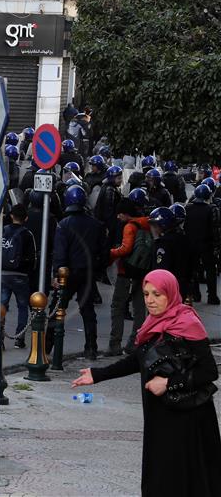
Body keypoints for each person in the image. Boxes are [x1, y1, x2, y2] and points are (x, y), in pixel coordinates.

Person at [72, 269, 221, 497]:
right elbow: (139, 359)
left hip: (189, 418)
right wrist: (98, 374)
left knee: (182, 478)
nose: (150, 300)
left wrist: (169, 383)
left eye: (157, 294)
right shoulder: (153, 324)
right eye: (146, 294)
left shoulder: (187, 324)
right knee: (160, 475)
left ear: (170, 294)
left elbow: (209, 372)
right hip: (160, 413)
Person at [52, 185, 105, 360]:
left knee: (57, 308)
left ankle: (45, 346)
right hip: (87, 273)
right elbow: (103, 252)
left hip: (68, 273)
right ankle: (91, 348)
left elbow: (60, 253)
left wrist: (56, 274)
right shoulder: (96, 225)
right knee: (88, 311)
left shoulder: (64, 225)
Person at [108, 198, 152, 355]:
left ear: (125, 214)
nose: (118, 217)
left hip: (127, 272)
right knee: (140, 308)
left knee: (117, 307)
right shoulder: (147, 223)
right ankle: (135, 343)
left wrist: (110, 253)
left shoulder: (129, 227)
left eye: (120, 214)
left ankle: (115, 344)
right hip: (143, 271)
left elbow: (125, 249)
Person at [0, 204, 37, 349]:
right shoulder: (27, 234)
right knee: (22, 307)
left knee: (1, 307)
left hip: (3, 273)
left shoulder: (4, 230)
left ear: (11, 216)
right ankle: (19, 338)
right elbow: (33, 258)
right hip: (21, 275)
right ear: (26, 218)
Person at [185, 184, 219, 304]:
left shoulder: (188, 208)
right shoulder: (211, 209)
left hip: (191, 244)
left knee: (192, 270)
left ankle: (195, 294)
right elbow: (215, 229)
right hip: (207, 244)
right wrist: (217, 246)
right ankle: (212, 296)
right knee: (210, 270)